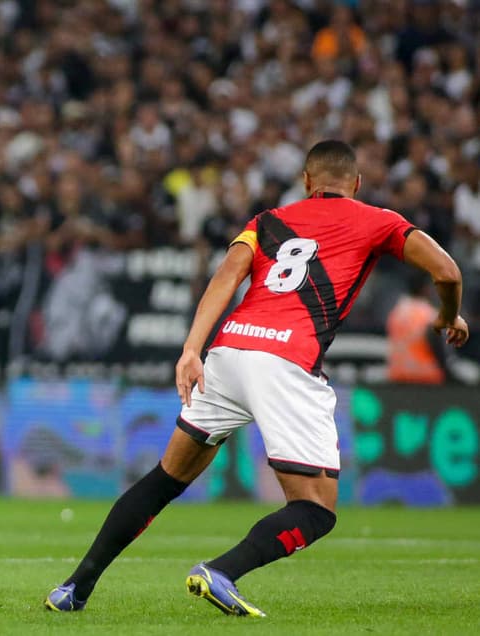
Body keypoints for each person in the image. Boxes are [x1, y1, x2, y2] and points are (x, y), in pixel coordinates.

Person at [44, 140, 469, 616]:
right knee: (316, 509)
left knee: (165, 478)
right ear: (357, 183)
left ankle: (74, 588)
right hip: (285, 362)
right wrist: (448, 316)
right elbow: (448, 272)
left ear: (306, 182)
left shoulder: (267, 221)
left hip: (228, 351)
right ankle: (221, 571)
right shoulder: (379, 219)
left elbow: (226, 275)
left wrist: (191, 350)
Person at [386, 271, 447, 383]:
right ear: (426, 288)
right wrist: (447, 370)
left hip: (398, 376)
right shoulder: (428, 314)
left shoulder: (397, 311)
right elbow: (437, 344)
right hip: (425, 377)